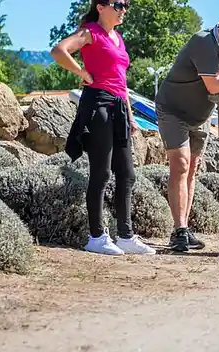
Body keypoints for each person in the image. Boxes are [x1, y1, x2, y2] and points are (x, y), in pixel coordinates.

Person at [54, 0, 155, 256]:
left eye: (126, 6)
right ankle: (96, 237)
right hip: (97, 103)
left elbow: (122, 83)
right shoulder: (90, 32)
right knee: (101, 173)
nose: (123, 10)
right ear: (100, 7)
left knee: (127, 174)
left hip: (119, 106)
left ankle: (125, 236)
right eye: (118, 4)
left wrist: (131, 117)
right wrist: (82, 72)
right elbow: (58, 51)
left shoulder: (118, 38)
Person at [155, 9, 219, 252]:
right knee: (180, 165)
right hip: (173, 110)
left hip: (201, 115)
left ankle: (184, 230)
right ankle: (179, 231)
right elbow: (215, 87)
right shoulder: (202, 42)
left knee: (192, 168)